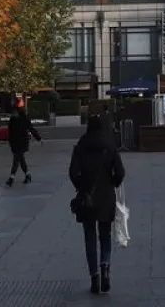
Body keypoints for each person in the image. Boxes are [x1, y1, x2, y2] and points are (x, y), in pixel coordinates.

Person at [69, 114, 126, 295]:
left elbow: (72, 173)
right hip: (106, 196)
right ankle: (105, 268)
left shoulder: (80, 146)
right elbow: (120, 171)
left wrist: (81, 187)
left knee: (89, 238)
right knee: (105, 235)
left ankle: (94, 277)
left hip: (87, 197)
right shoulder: (110, 146)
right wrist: (113, 183)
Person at [5, 105, 42, 186]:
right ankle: (28, 175)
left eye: (14, 112)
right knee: (21, 160)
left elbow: (31, 129)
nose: (13, 114)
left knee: (16, 160)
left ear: (18, 112)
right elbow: (10, 131)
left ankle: (11, 178)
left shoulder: (24, 119)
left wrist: (38, 138)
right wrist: (10, 141)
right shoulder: (12, 120)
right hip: (14, 143)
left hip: (22, 142)